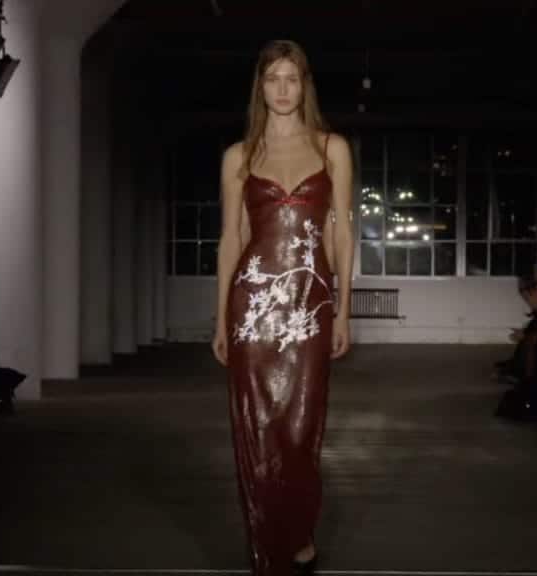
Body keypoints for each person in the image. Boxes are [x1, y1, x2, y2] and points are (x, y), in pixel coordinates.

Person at [211, 39, 354, 576]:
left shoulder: (330, 147)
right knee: (257, 426)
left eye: (291, 78)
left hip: (310, 305)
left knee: (299, 425)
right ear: (260, 87)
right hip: (253, 307)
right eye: (273, 79)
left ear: (305, 85)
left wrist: (343, 310)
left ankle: (299, 530)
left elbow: (341, 233)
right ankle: (268, 543)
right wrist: (220, 316)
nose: (282, 89)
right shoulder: (240, 156)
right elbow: (231, 238)